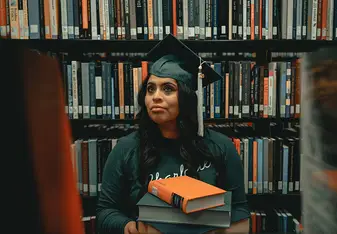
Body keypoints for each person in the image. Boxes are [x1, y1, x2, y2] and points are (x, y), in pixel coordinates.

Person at [96, 34, 250, 234]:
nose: (156, 97)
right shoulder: (126, 149)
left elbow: (239, 209)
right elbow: (105, 211)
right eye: (150, 89)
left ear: (186, 97)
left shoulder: (220, 147)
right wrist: (130, 227)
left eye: (167, 89)